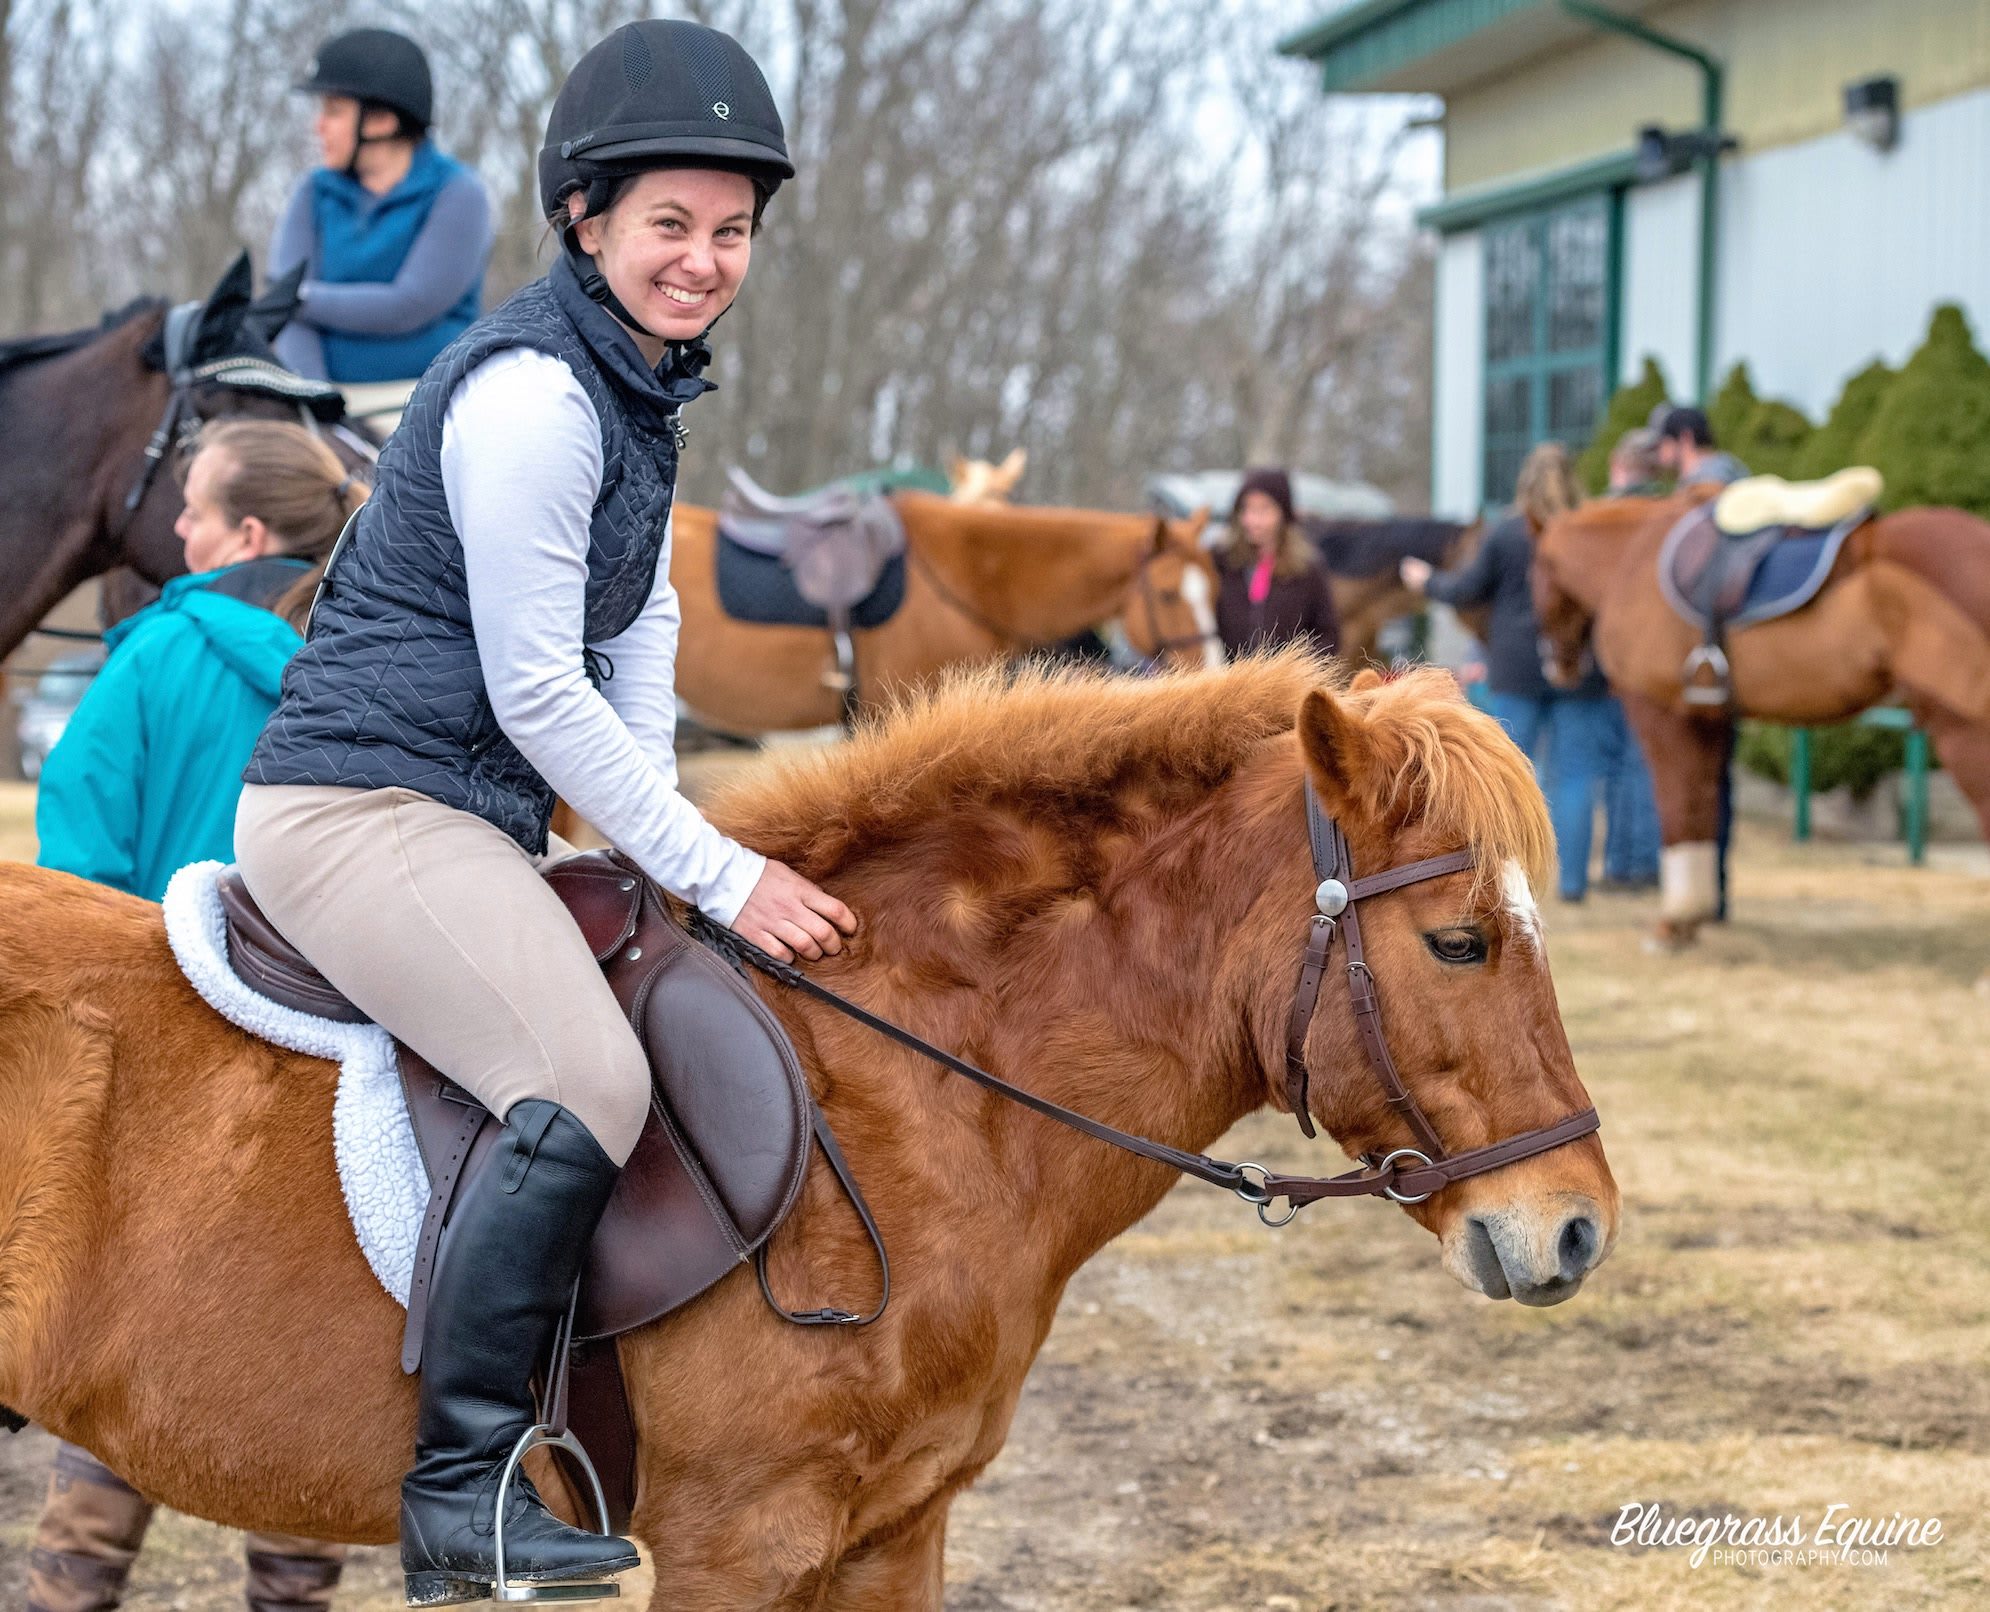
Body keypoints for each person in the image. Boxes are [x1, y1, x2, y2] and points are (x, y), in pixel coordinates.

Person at [235, 21, 855, 1601]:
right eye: (669, 224)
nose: (703, 261)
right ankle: (457, 1491)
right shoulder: (533, 392)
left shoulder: (639, 397)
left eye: (730, 232)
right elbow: (534, 690)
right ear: (584, 216)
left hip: (460, 812)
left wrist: (638, 848)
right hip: (355, 806)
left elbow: (634, 631)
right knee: (581, 1075)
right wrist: (714, 869)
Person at [27, 421, 361, 1612]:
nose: (175, 529)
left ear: (248, 536)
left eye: (197, 512)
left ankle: (73, 1585)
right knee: (282, 1355)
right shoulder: (365, 659)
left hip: (159, 1059)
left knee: (124, 1343)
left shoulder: (155, 653)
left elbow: (75, 871)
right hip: (322, 1066)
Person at [1400, 442, 1619, 901]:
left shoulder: (1505, 534)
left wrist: (1426, 581)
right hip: (1580, 668)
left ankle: (1512, 882)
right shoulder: (1588, 532)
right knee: (1576, 775)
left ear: (1524, 484)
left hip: (1516, 668)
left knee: (1509, 776)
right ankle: (1574, 885)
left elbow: (1467, 589)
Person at [269, 28, 493, 389]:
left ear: (381, 121)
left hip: (428, 399)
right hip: (321, 403)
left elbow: (409, 305)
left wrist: (299, 298)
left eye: (334, 110)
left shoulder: (459, 194)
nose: (318, 125)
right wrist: (315, 398)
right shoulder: (311, 192)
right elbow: (286, 317)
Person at [1212, 467, 1339, 657]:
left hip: (1284, 682)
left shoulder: (1307, 569)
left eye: (1264, 509)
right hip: (1229, 680)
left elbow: (1328, 635)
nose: (1253, 520)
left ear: (1283, 513)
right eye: (1247, 509)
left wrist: (1294, 670)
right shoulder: (1221, 561)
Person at [1655, 405, 1749, 488]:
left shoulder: (1712, 476)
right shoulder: (1727, 466)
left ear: (1685, 437)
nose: (1658, 450)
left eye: (1662, 442)